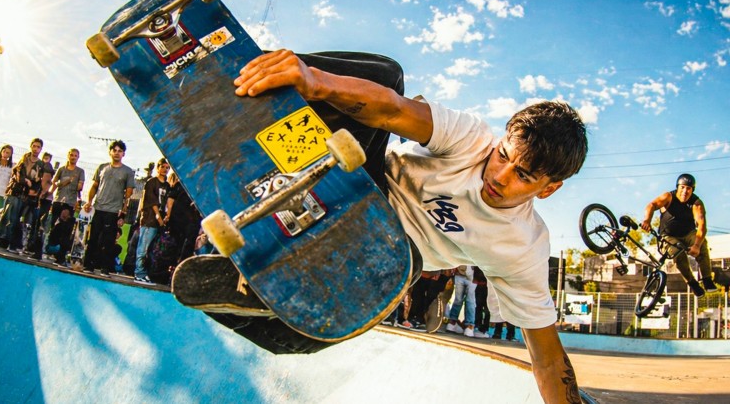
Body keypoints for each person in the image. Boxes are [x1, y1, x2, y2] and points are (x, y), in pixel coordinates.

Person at [229, 49, 587, 402]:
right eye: (502, 155)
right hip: (348, 182)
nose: (499, 176)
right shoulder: (471, 138)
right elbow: (394, 109)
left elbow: (548, 358)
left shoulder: (523, 247)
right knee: (385, 74)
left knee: (335, 318)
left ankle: (230, 291)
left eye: (523, 176)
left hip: (374, 266)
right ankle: (246, 74)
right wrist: (315, 81)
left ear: (548, 189)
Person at [640, 173, 717, 297]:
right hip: (668, 236)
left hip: (688, 234)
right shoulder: (668, 196)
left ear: (692, 190)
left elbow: (702, 226)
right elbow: (651, 205)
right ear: (677, 187)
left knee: (702, 244)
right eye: (682, 187)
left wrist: (697, 245)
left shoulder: (696, 203)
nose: (685, 191)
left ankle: (707, 279)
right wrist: (647, 220)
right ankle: (692, 283)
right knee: (678, 251)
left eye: (688, 188)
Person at [83, 140, 135, 276]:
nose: (117, 153)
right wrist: (89, 201)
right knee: (93, 238)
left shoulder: (128, 171)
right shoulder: (102, 167)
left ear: (123, 154)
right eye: (114, 150)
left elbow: (128, 193)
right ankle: (88, 265)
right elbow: (94, 186)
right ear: (110, 152)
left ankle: (105, 268)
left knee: (109, 241)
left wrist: (123, 213)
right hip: (98, 208)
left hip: (113, 211)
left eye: (120, 151)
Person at [0, 138, 52, 253]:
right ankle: (1, 239)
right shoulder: (24, 158)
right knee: (7, 215)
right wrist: (26, 181)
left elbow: (38, 182)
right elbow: (18, 175)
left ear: (41, 149)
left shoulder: (40, 164)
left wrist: (32, 188)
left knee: (18, 220)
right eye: (34, 146)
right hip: (15, 191)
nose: (35, 149)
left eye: (38, 147)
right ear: (31, 146)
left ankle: (12, 243)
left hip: (27, 195)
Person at [134, 158, 170, 283]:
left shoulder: (167, 185)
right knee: (143, 248)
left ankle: (146, 273)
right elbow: (152, 202)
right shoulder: (151, 182)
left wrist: (165, 217)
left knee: (151, 250)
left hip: (159, 223)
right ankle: (139, 273)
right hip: (149, 220)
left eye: (167, 167)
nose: (165, 169)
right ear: (158, 168)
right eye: (163, 167)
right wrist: (159, 217)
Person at [445, 265, 487, 337]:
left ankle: (452, 323)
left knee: (458, 299)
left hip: (460, 273)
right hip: (472, 275)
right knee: (470, 301)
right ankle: (469, 326)